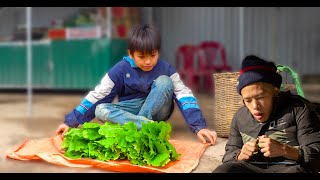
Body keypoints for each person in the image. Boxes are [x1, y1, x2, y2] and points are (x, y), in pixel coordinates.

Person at [56, 24, 217, 145]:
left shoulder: (165, 69)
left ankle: (140, 125)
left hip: (159, 110)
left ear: (158, 51)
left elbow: (184, 95)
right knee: (101, 110)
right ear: (130, 54)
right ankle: (145, 126)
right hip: (130, 109)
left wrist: (199, 126)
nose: (148, 61)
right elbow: (98, 95)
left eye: (153, 55)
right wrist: (71, 122)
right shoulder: (119, 70)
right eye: (142, 56)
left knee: (164, 81)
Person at [212, 55, 320, 173]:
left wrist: (285, 150)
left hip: (289, 168)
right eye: (248, 100)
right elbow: (228, 156)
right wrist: (239, 155)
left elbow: (317, 156)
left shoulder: (299, 110)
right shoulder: (240, 117)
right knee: (224, 170)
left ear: (275, 90)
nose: (255, 106)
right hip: (251, 168)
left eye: (261, 97)